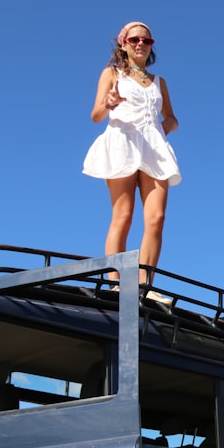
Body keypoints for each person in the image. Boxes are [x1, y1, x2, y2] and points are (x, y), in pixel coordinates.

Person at [83, 21, 180, 302]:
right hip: (122, 140)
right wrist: (109, 103)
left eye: (147, 41)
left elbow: (172, 117)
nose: (141, 44)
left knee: (156, 218)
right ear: (123, 43)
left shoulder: (160, 81)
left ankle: (145, 286)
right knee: (123, 216)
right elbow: (96, 115)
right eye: (135, 39)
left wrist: (166, 127)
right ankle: (115, 283)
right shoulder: (111, 73)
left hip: (154, 147)